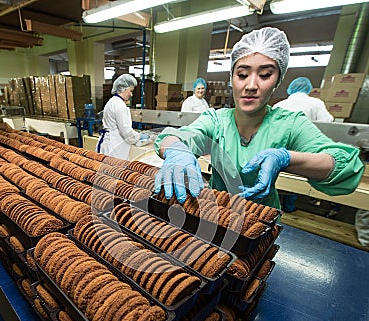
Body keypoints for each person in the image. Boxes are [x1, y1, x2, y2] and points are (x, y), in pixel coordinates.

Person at [153, 27, 364, 211]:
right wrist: (177, 151)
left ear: (278, 80)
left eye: (264, 75)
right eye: (243, 75)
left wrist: (287, 159)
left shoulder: (290, 124)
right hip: (216, 212)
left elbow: (346, 166)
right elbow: (177, 136)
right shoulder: (216, 121)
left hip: (262, 220)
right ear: (232, 79)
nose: (251, 85)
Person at [272, 77, 334, 212]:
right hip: (304, 149)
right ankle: (290, 207)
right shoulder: (315, 103)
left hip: (279, 148)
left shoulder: (279, 105)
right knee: (299, 175)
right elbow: (328, 123)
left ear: (290, 89)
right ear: (308, 88)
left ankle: (275, 206)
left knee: (277, 177)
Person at [96, 74, 149, 160]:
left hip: (109, 142)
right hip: (114, 146)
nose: (131, 94)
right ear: (123, 89)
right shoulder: (119, 105)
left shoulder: (112, 101)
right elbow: (126, 132)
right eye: (130, 91)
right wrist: (139, 136)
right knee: (115, 170)